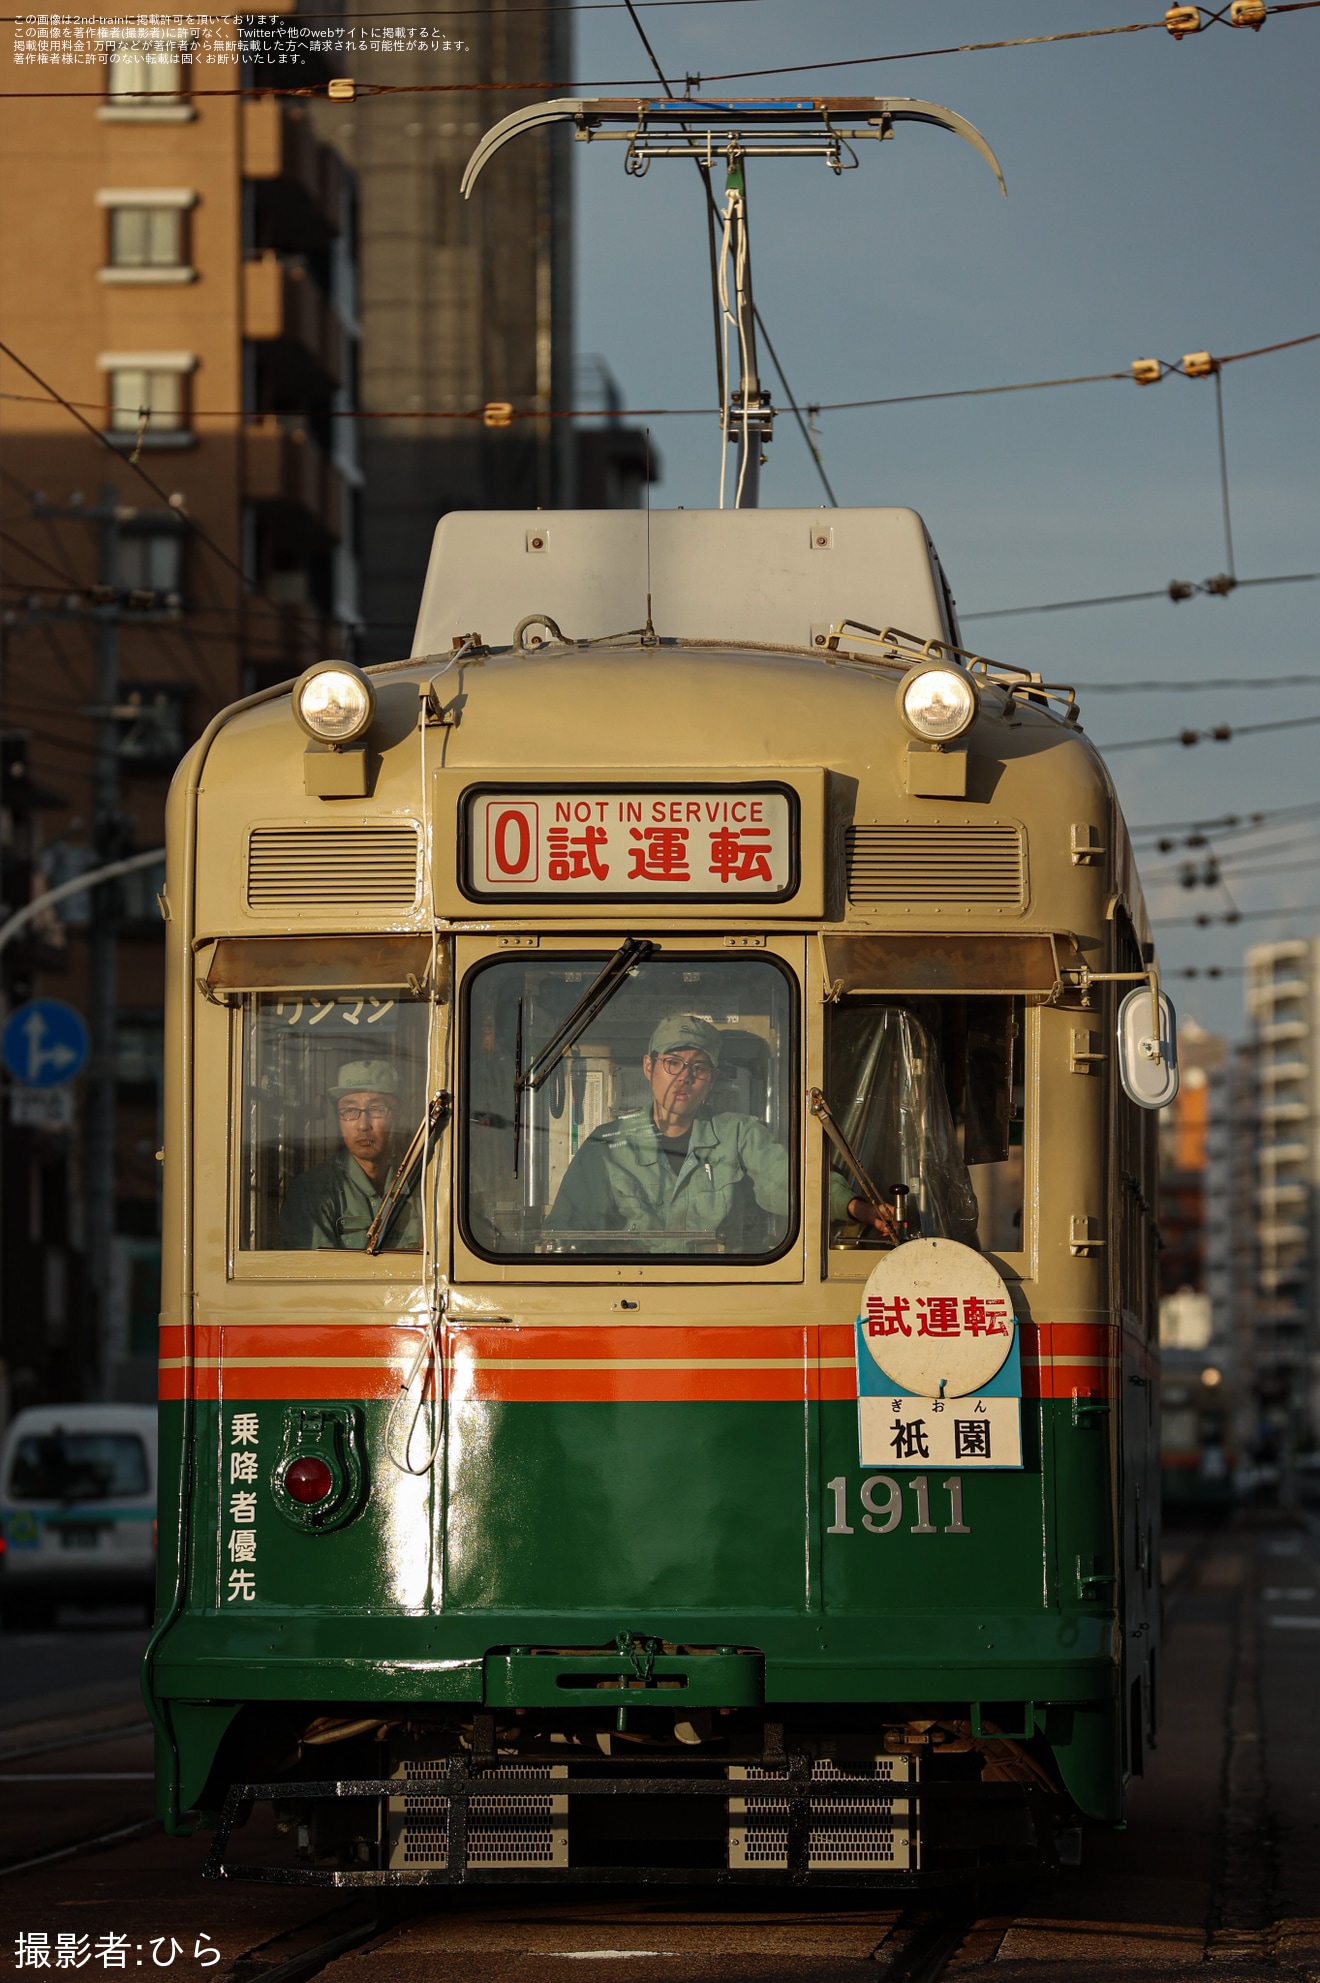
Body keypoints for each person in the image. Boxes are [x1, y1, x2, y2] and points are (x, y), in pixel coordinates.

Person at [545, 1014, 894, 1250]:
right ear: (649, 1067)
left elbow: (795, 1183)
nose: (685, 1076)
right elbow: (563, 1231)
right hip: (628, 1300)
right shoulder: (607, 1145)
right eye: (673, 1063)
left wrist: (859, 1208)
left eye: (698, 1067)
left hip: (720, 1294)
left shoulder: (738, 1135)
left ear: (711, 1079)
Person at [280, 1059, 420, 1250]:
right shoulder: (313, 1193)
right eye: (349, 1110)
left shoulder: (423, 1185)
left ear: (399, 1113)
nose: (363, 1125)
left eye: (376, 1109)